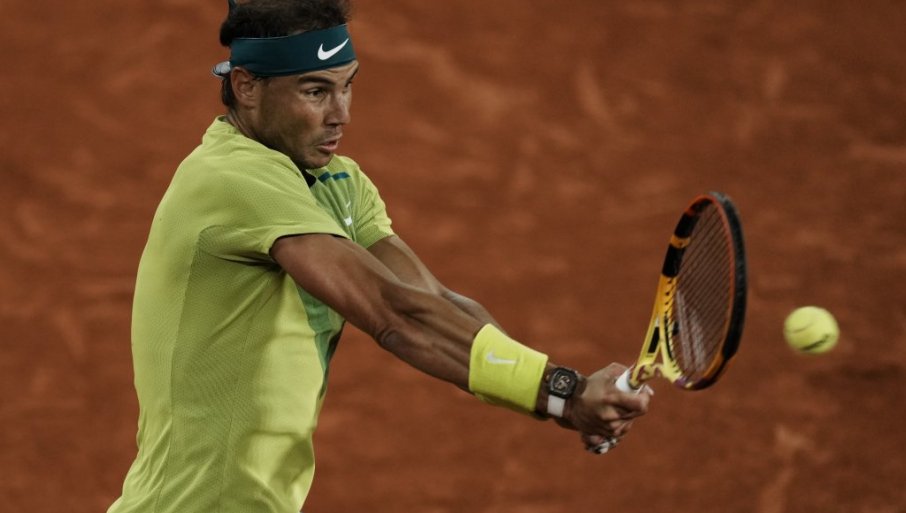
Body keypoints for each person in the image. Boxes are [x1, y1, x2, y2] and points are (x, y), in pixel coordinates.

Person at [107, 0, 653, 511]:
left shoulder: (338, 182)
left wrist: (558, 397)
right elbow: (394, 311)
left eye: (348, 86)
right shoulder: (231, 178)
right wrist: (562, 394)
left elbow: (433, 300)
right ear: (246, 87)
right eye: (315, 91)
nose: (341, 114)